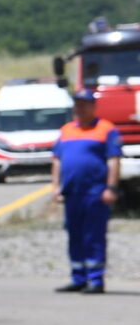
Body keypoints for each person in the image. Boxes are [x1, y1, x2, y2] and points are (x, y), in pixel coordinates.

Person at [51, 87, 120, 294]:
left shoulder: (106, 129)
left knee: (93, 236)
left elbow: (114, 161)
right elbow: (57, 160)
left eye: (84, 105)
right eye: (77, 105)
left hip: (95, 193)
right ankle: (78, 277)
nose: (79, 109)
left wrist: (111, 188)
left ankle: (95, 279)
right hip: (72, 193)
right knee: (75, 235)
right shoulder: (66, 130)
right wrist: (55, 186)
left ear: (93, 106)